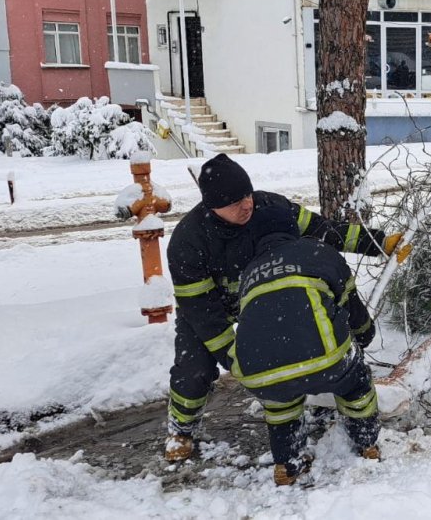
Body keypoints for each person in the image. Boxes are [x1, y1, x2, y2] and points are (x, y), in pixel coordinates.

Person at [164, 154, 409, 462]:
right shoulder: (188, 242)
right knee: (194, 369)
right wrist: (236, 360)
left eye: (247, 195)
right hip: (214, 308)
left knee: (298, 342)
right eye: (234, 203)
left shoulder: (272, 208)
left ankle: (313, 395)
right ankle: (180, 429)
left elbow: (325, 231)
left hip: (265, 297)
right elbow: (202, 314)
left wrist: (379, 242)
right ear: (212, 207)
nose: (246, 206)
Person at [230, 206, 380, 486]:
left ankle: (286, 464)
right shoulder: (318, 253)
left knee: (280, 402)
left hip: (259, 373)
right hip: (324, 359)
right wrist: (363, 336)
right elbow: (351, 305)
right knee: (356, 381)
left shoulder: (249, 272)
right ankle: (366, 444)